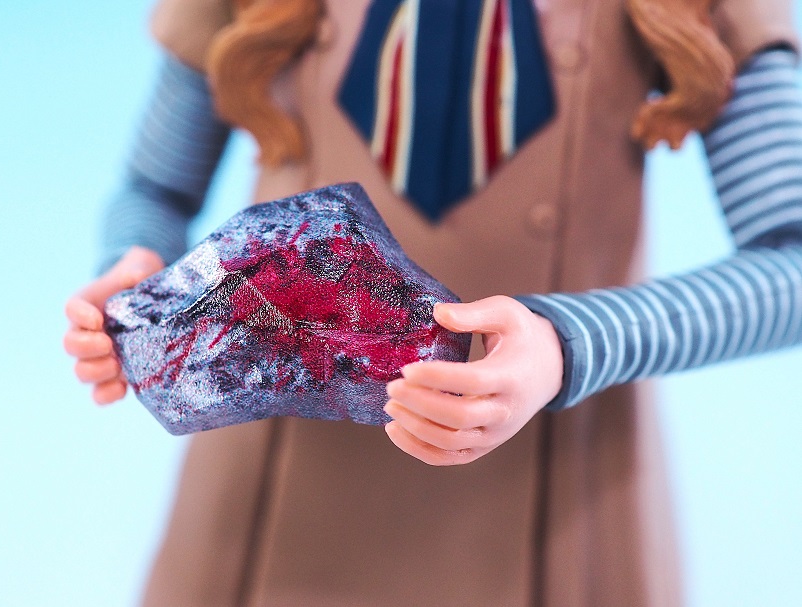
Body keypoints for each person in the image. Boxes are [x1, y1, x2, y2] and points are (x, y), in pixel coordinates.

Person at [63, 0, 801, 604]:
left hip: (555, 481)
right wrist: (137, 270)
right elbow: (153, 189)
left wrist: (569, 340)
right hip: (277, 482)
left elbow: (792, 268)